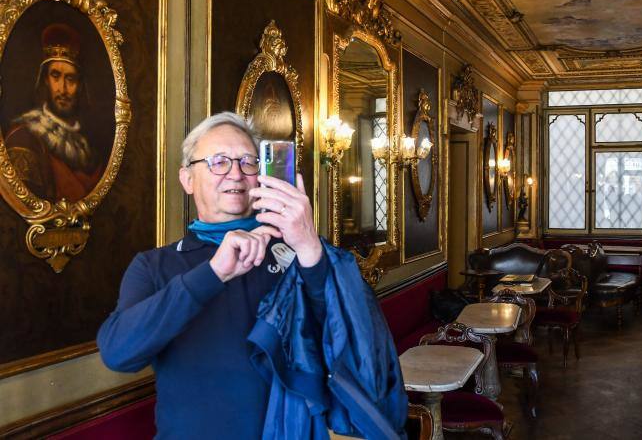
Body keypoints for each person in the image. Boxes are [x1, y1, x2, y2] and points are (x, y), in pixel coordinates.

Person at [97, 112, 406, 439]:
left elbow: (353, 341)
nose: (236, 173)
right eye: (218, 161)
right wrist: (213, 273)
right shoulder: (154, 265)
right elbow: (119, 353)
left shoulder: (298, 251)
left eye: (248, 162)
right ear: (187, 179)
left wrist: (309, 247)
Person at [5, 22, 101, 201]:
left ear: (80, 86)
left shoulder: (87, 148)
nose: (62, 89)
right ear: (45, 80)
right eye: (55, 76)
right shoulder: (24, 137)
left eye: (70, 79)